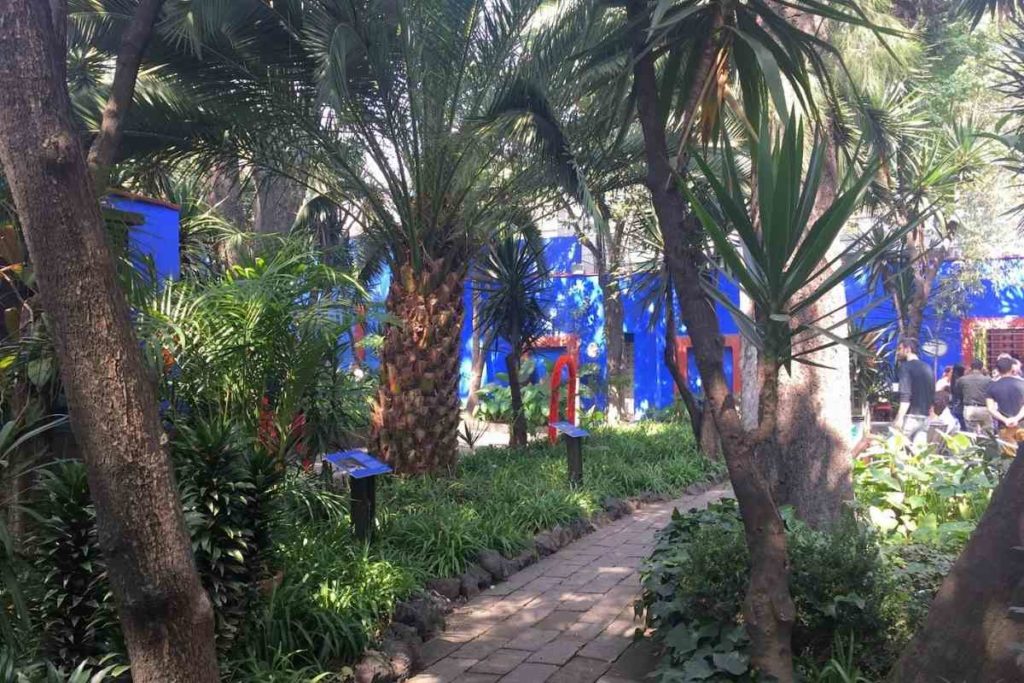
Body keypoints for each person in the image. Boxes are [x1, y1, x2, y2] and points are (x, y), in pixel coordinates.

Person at [894, 338, 935, 443]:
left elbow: (905, 395)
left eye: (900, 349)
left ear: (907, 349)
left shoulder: (905, 367)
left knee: (897, 450)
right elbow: (931, 394)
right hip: (925, 417)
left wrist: (899, 418)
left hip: (910, 417)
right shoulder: (928, 368)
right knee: (919, 453)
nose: (898, 352)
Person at [986, 355, 1024, 457]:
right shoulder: (1022, 384)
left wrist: (1005, 420)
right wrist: (1016, 418)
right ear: (1012, 368)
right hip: (1022, 425)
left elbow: (990, 408)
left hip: (1004, 427)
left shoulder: (992, 386)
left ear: (997, 370)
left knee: (1010, 458)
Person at [956, 359, 992, 433]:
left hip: (969, 408)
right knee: (988, 433)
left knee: (971, 434)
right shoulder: (988, 380)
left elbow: (958, 393)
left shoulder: (962, 379)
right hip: (984, 408)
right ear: (982, 368)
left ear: (970, 367)